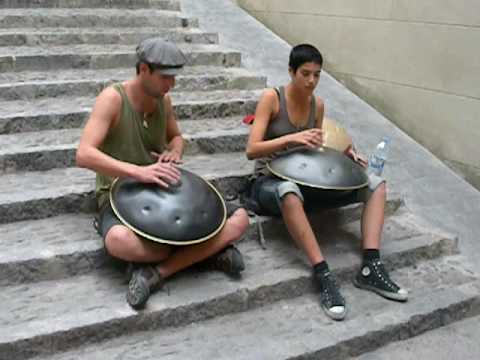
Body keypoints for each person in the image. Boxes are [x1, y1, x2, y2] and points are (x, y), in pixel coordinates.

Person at [76, 37, 249, 309]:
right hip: (120, 193)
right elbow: (84, 154)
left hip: (164, 189)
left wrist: (175, 151)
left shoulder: (163, 101)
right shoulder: (112, 99)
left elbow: (177, 138)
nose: (172, 85)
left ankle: (156, 273)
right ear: (144, 69)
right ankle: (206, 253)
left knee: (240, 220)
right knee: (118, 241)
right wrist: (138, 172)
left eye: (174, 78)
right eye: (166, 77)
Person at [245, 44, 407, 321]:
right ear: (291, 71)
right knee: (288, 190)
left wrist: (344, 154)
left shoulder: (317, 105)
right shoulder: (271, 99)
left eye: (317, 75)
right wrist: (291, 139)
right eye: (305, 74)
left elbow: (316, 149)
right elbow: (251, 149)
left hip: (307, 181)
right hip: (269, 183)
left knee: (375, 184)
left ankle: (370, 266)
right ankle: (323, 273)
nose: (311, 81)